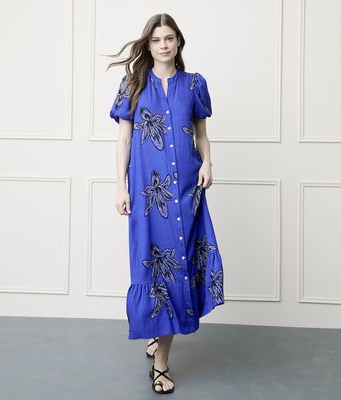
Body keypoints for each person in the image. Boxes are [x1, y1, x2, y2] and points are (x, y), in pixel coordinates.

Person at [107, 13, 225, 394]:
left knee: (178, 270)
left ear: (178, 42)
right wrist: (121, 186)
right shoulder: (133, 85)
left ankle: (161, 362)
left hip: (187, 192)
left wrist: (207, 163)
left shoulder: (194, 85)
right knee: (153, 268)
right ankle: (157, 338)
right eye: (157, 39)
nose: (163, 45)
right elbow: (124, 140)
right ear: (149, 44)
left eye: (169, 38)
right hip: (148, 197)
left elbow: (201, 134)